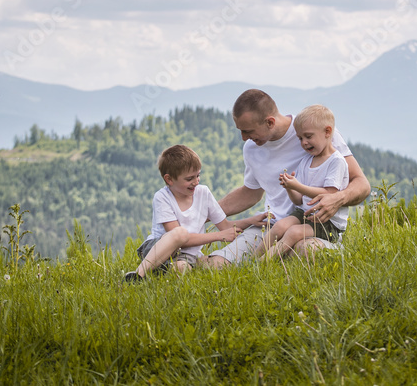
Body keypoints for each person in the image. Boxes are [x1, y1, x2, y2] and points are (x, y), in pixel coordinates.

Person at [206, 89, 371, 267]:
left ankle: (266, 265)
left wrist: (337, 199)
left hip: (314, 227)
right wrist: (206, 213)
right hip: (272, 226)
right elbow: (250, 192)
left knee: (305, 251)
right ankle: (257, 265)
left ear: (270, 122)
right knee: (216, 264)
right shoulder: (251, 149)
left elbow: (362, 184)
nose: (244, 138)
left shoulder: (315, 131)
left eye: (248, 131)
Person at [125, 144, 266, 281]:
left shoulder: (203, 193)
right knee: (180, 233)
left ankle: (163, 275)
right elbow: (179, 240)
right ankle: (138, 275)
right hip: (157, 249)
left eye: (198, 175)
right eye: (189, 179)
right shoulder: (162, 197)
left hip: (186, 255)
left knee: (181, 268)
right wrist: (218, 236)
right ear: (169, 179)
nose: (196, 182)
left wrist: (250, 221)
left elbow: (225, 226)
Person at [260, 105, 349, 259]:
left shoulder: (336, 161)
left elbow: (329, 195)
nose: (304, 143)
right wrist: (289, 187)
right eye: (300, 138)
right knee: (280, 226)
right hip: (305, 212)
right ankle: (251, 261)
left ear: (327, 132)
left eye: (308, 136)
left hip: (327, 221)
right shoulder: (307, 160)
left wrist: (298, 186)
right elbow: (298, 199)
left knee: (294, 232)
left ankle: (264, 263)